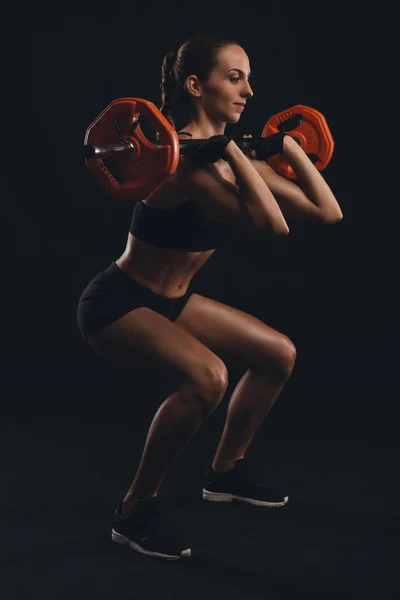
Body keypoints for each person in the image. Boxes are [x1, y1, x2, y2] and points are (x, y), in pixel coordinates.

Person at [77, 33, 343, 561]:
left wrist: (285, 148)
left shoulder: (235, 156)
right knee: (208, 378)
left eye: (248, 78)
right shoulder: (178, 164)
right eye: (235, 77)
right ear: (195, 85)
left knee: (278, 354)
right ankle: (135, 510)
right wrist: (229, 151)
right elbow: (273, 228)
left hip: (174, 302)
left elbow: (328, 212)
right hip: (118, 302)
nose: (248, 90)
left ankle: (225, 473)